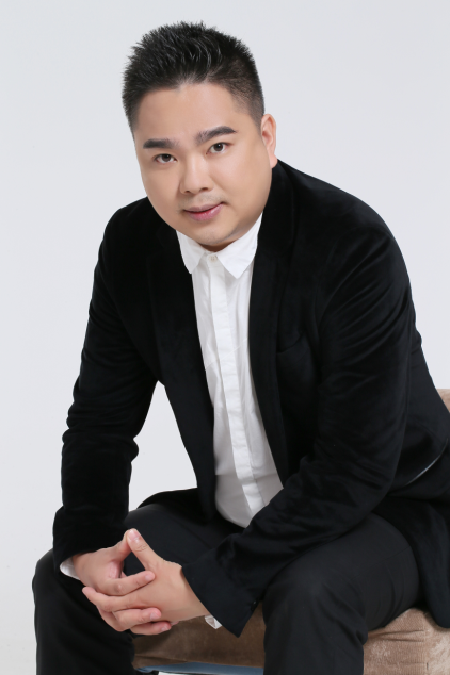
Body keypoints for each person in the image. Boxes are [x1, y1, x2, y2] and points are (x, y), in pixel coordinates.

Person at [33, 20, 450, 675]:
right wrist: (88, 549)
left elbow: (354, 467)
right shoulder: (133, 247)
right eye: (163, 157)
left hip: (384, 511)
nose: (192, 180)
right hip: (229, 516)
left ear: (267, 138)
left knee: (310, 591)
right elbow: (100, 424)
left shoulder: (350, 243)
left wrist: (207, 583)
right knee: (66, 583)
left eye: (218, 146)